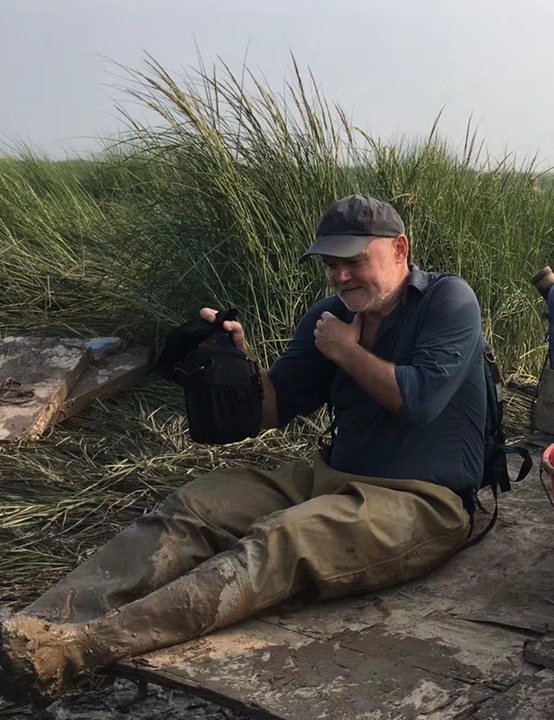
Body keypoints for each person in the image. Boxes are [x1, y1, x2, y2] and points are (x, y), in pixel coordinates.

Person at [0, 194, 487, 702]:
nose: (341, 277)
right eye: (331, 265)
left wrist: (345, 350)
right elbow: (270, 411)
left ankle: (73, 650)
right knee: (196, 504)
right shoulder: (330, 318)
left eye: (354, 261)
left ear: (400, 250)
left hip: (423, 499)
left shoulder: (448, 300)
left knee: (284, 536)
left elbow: (419, 401)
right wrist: (236, 365)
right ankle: (33, 626)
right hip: (333, 477)